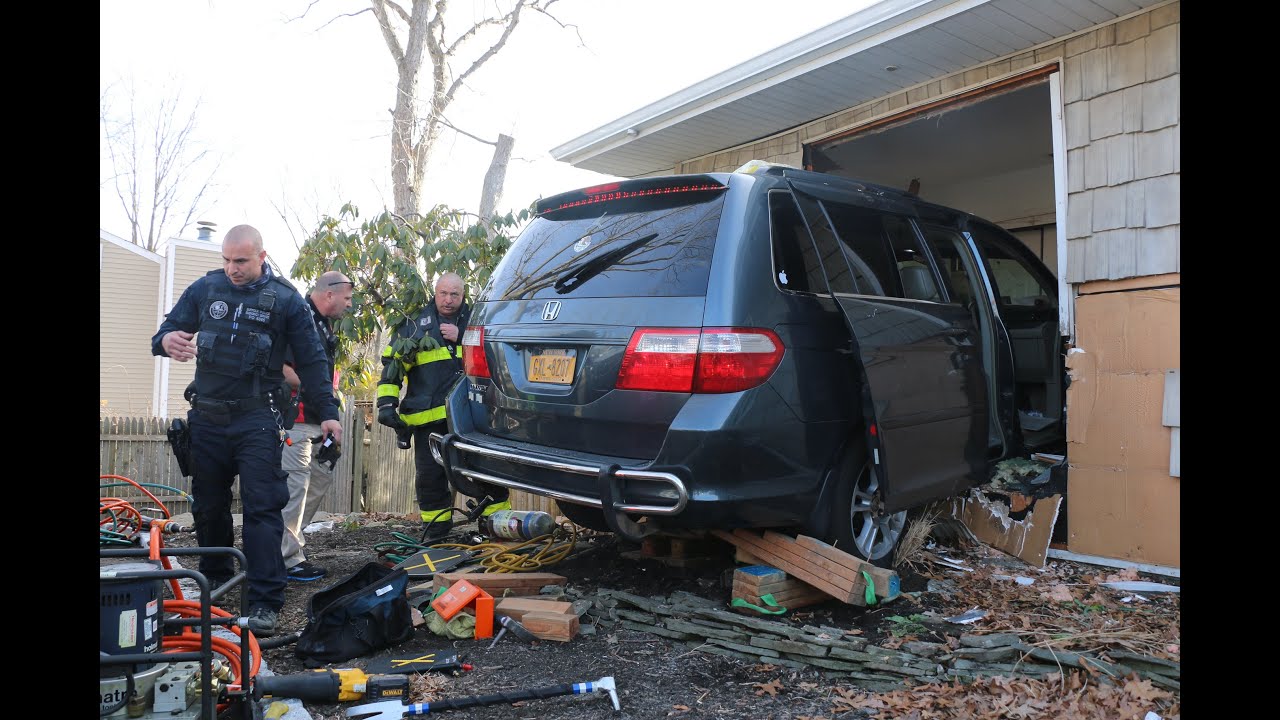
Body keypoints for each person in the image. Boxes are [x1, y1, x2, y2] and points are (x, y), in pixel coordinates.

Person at [152, 224, 342, 638]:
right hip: (206, 418)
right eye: (226, 260)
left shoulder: (287, 301)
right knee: (207, 504)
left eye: (240, 261)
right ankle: (216, 581)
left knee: (262, 508)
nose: (231, 268)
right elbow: (165, 331)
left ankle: (264, 600)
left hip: (257, 418)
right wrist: (168, 341)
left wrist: (328, 412)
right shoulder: (206, 289)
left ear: (261, 256)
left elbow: (312, 363)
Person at [376, 272, 509, 540]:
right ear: (434, 293)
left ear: (464, 295)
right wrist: (386, 405)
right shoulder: (413, 326)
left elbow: (499, 355)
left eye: (455, 295)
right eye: (443, 294)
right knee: (430, 478)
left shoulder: (477, 321)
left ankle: (496, 528)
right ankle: (436, 532)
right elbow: (392, 368)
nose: (448, 300)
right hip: (428, 420)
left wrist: (462, 337)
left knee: (487, 473)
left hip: (474, 418)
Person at [279, 271, 354, 583]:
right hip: (295, 421)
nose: (350, 305)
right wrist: (317, 393)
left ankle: (289, 547)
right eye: (347, 298)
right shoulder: (298, 320)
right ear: (329, 295)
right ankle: (284, 560)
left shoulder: (323, 325)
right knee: (295, 488)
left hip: (317, 419)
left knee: (319, 480)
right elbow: (282, 369)